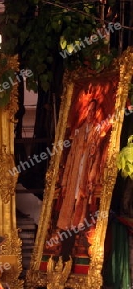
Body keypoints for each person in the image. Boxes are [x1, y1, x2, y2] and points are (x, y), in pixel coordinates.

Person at [56, 99, 100, 259]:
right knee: (67, 212)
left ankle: (75, 252)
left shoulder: (96, 132)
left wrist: (91, 179)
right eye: (88, 110)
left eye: (93, 111)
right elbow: (70, 158)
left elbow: (96, 158)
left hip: (84, 178)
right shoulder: (79, 132)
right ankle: (64, 252)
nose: (90, 114)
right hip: (75, 177)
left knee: (80, 212)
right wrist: (66, 181)